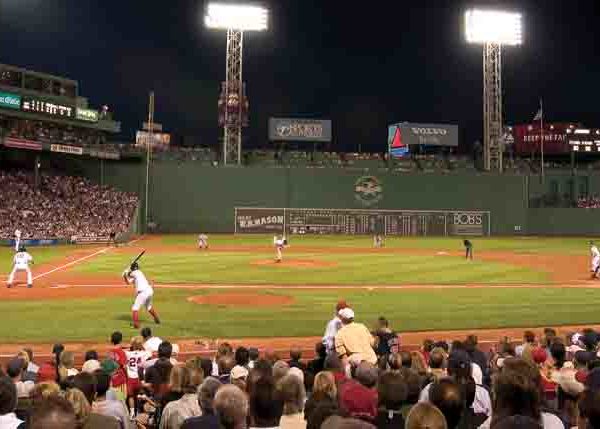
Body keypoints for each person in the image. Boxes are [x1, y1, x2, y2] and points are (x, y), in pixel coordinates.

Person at [122, 262, 160, 329]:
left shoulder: (137, 272)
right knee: (148, 307)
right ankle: (157, 319)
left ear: (132, 268)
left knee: (135, 308)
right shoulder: (137, 274)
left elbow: (129, 274)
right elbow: (128, 282)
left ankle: (136, 325)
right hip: (149, 291)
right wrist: (125, 276)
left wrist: (126, 272)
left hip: (143, 292)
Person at [125, 336, 151, 417]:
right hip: (139, 378)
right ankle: (139, 412)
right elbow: (149, 354)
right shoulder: (144, 353)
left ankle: (132, 413)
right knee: (139, 395)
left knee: (131, 396)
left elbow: (124, 350)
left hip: (130, 377)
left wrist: (130, 347)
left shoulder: (127, 353)